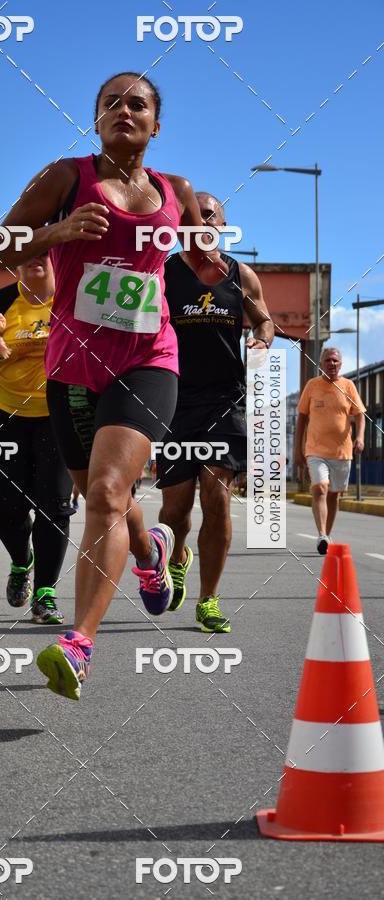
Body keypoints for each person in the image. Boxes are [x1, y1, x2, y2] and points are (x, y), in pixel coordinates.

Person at [0, 72, 228, 699]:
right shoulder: (66, 177)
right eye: (111, 103)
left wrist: (204, 265)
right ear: (96, 119)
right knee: (107, 500)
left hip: (149, 358)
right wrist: (57, 234)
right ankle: (151, 554)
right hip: (73, 365)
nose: (125, 109)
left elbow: (200, 263)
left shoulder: (177, 191)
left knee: (104, 491)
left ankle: (80, 643)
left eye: (138, 103)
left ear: (156, 124)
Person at [157, 192, 274, 632]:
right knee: (175, 511)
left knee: (216, 497)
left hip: (225, 401)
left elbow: (265, 320)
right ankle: (178, 556)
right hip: (173, 400)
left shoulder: (240, 275)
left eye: (209, 215)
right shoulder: (163, 272)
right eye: (191, 216)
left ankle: (209, 600)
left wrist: (262, 339)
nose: (200, 221)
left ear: (222, 224)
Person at [0, 253, 73, 624]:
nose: (34, 258)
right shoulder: (1, 301)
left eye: (43, 250)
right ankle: (21, 560)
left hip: (58, 415)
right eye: (25, 253)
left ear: (56, 256)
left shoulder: (73, 296)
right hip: (6, 415)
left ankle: (45, 595)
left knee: (53, 507)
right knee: (6, 512)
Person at [294, 346, 365, 554]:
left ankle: (327, 533)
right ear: (321, 364)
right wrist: (298, 449)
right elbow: (301, 419)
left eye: (335, 361)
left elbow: (360, 415)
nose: (331, 364)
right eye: (328, 361)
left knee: (334, 495)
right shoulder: (312, 386)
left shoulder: (349, 386)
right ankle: (322, 534)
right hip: (315, 450)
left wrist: (359, 437)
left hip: (342, 452)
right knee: (320, 488)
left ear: (340, 365)